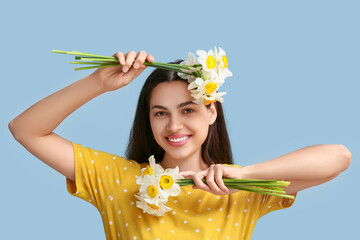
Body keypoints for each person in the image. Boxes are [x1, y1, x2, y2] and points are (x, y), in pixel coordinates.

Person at [8, 50, 352, 240]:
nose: (174, 126)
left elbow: (338, 157)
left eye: (187, 109)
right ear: (149, 119)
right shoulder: (117, 178)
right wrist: (98, 82)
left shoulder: (243, 189)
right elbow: (25, 130)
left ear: (211, 112)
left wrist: (244, 173)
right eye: (160, 113)